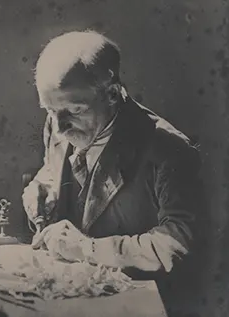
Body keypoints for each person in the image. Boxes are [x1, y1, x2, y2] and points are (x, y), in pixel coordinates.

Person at [22, 30, 203, 278]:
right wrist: (43, 187)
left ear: (112, 95)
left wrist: (87, 249)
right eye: (51, 110)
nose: (61, 127)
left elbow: (176, 244)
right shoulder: (58, 122)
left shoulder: (170, 151)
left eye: (75, 110)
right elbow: (54, 169)